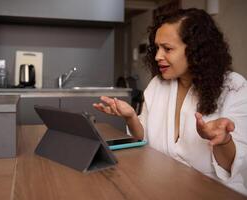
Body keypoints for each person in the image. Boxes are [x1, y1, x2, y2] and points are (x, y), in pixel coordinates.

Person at [93, 8, 247, 195]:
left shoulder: (234, 87)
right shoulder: (158, 85)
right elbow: (144, 138)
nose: (158, 56)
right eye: (157, 48)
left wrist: (224, 141)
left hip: (215, 192)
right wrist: (131, 117)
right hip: (164, 188)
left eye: (167, 48)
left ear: (195, 50)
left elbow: (235, 166)